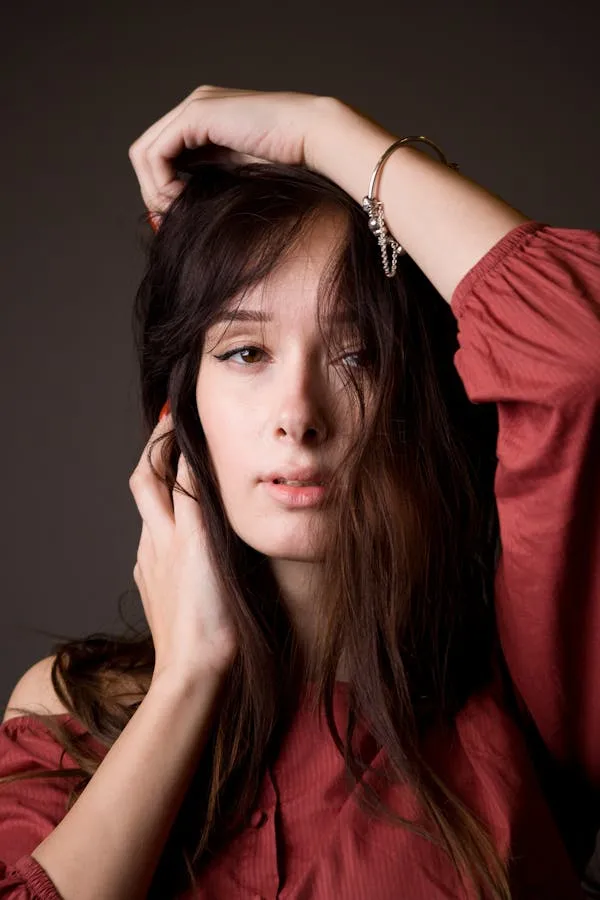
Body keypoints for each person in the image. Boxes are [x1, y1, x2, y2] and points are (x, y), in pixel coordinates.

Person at [0, 85, 598, 900]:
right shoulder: (74, 713)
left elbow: (579, 357)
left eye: (359, 357)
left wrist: (322, 131)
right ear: (181, 411)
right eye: (246, 352)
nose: (298, 417)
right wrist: (187, 680)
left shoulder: (518, 702)